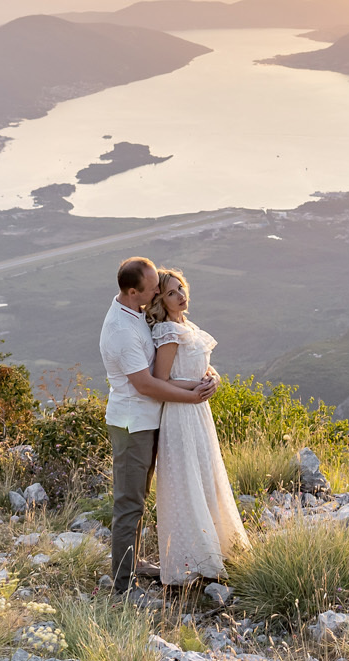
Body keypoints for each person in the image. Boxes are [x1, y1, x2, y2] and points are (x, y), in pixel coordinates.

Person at [99, 255, 215, 595]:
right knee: (129, 503)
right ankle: (123, 586)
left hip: (150, 420)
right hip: (132, 424)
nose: (156, 294)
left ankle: (133, 564)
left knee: (140, 496)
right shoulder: (121, 331)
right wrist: (193, 396)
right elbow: (146, 384)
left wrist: (204, 379)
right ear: (134, 291)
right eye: (152, 290)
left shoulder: (134, 311)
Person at [143, 268, 250, 585]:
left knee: (206, 474)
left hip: (199, 411)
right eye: (173, 292)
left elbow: (203, 364)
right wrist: (196, 388)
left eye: (182, 288)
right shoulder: (167, 331)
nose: (181, 295)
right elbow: (162, 380)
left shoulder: (186, 326)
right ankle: (194, 559)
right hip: (180, 412)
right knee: (186, 480)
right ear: (161, 298)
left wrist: (213, 378)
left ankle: (217, 544)